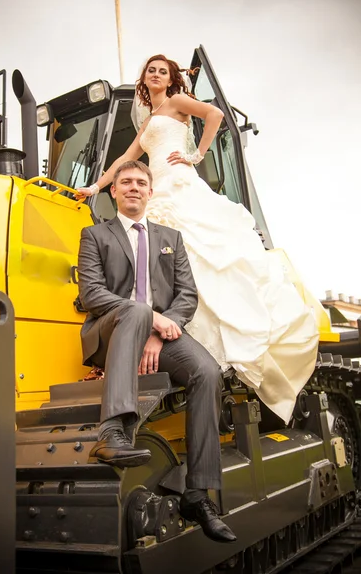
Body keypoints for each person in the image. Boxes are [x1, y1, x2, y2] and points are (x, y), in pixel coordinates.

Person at [76, 54, 319, 424]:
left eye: (163, 71)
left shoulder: (175, 103)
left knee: (197, 257)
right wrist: (94, 187)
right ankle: (155, 334)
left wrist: (196, 154)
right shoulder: (146, 125)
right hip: (156, 190)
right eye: (150, 70)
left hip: (177, 183)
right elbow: (125, 158)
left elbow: (215, 115)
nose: (155, 75)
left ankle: (188, 339)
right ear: (144, 79)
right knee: (154, 265)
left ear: (171, 79)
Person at [78, 160, 236, 543]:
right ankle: (112, 432)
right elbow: (92, 294)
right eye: (126, 182)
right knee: (133, 309)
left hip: (162, 335)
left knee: (208, 373)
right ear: (113, 192)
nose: (134, 187)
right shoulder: (94, 235)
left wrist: (159, 332)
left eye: (141, 183)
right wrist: (149, 318)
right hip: (109, 334)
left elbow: (187, 295)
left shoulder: (171, 238)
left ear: (150, 192)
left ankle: (198, 495)